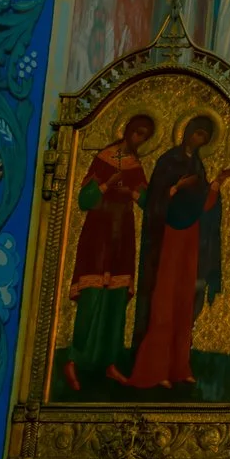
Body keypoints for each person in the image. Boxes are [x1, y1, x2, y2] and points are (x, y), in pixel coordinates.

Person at [127, 115, 224, 391]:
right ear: (187, 133)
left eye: (204, 138)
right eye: (197, 135)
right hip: (169, 236)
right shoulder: (168, 161)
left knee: (183, 302)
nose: (199, 140)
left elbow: (204, 204)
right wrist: (175, 188)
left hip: (190, 236)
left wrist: (214, 186)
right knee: (164, 302)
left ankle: (179, 368)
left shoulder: (198, 165)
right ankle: (154, 369)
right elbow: (156, 201)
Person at [63, 112, 155, 389]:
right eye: (137, 132)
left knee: (115, 303)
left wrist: (132, 193)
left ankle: (110, 364)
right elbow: (84, 199)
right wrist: (106, 184)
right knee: (91, 299)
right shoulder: (105, 158)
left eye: (145, 136)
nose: (139, 139)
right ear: (127, 130)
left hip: (122, 234)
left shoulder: (135, 164)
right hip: (99, 233)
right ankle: (73, 362)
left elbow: (147, 201)